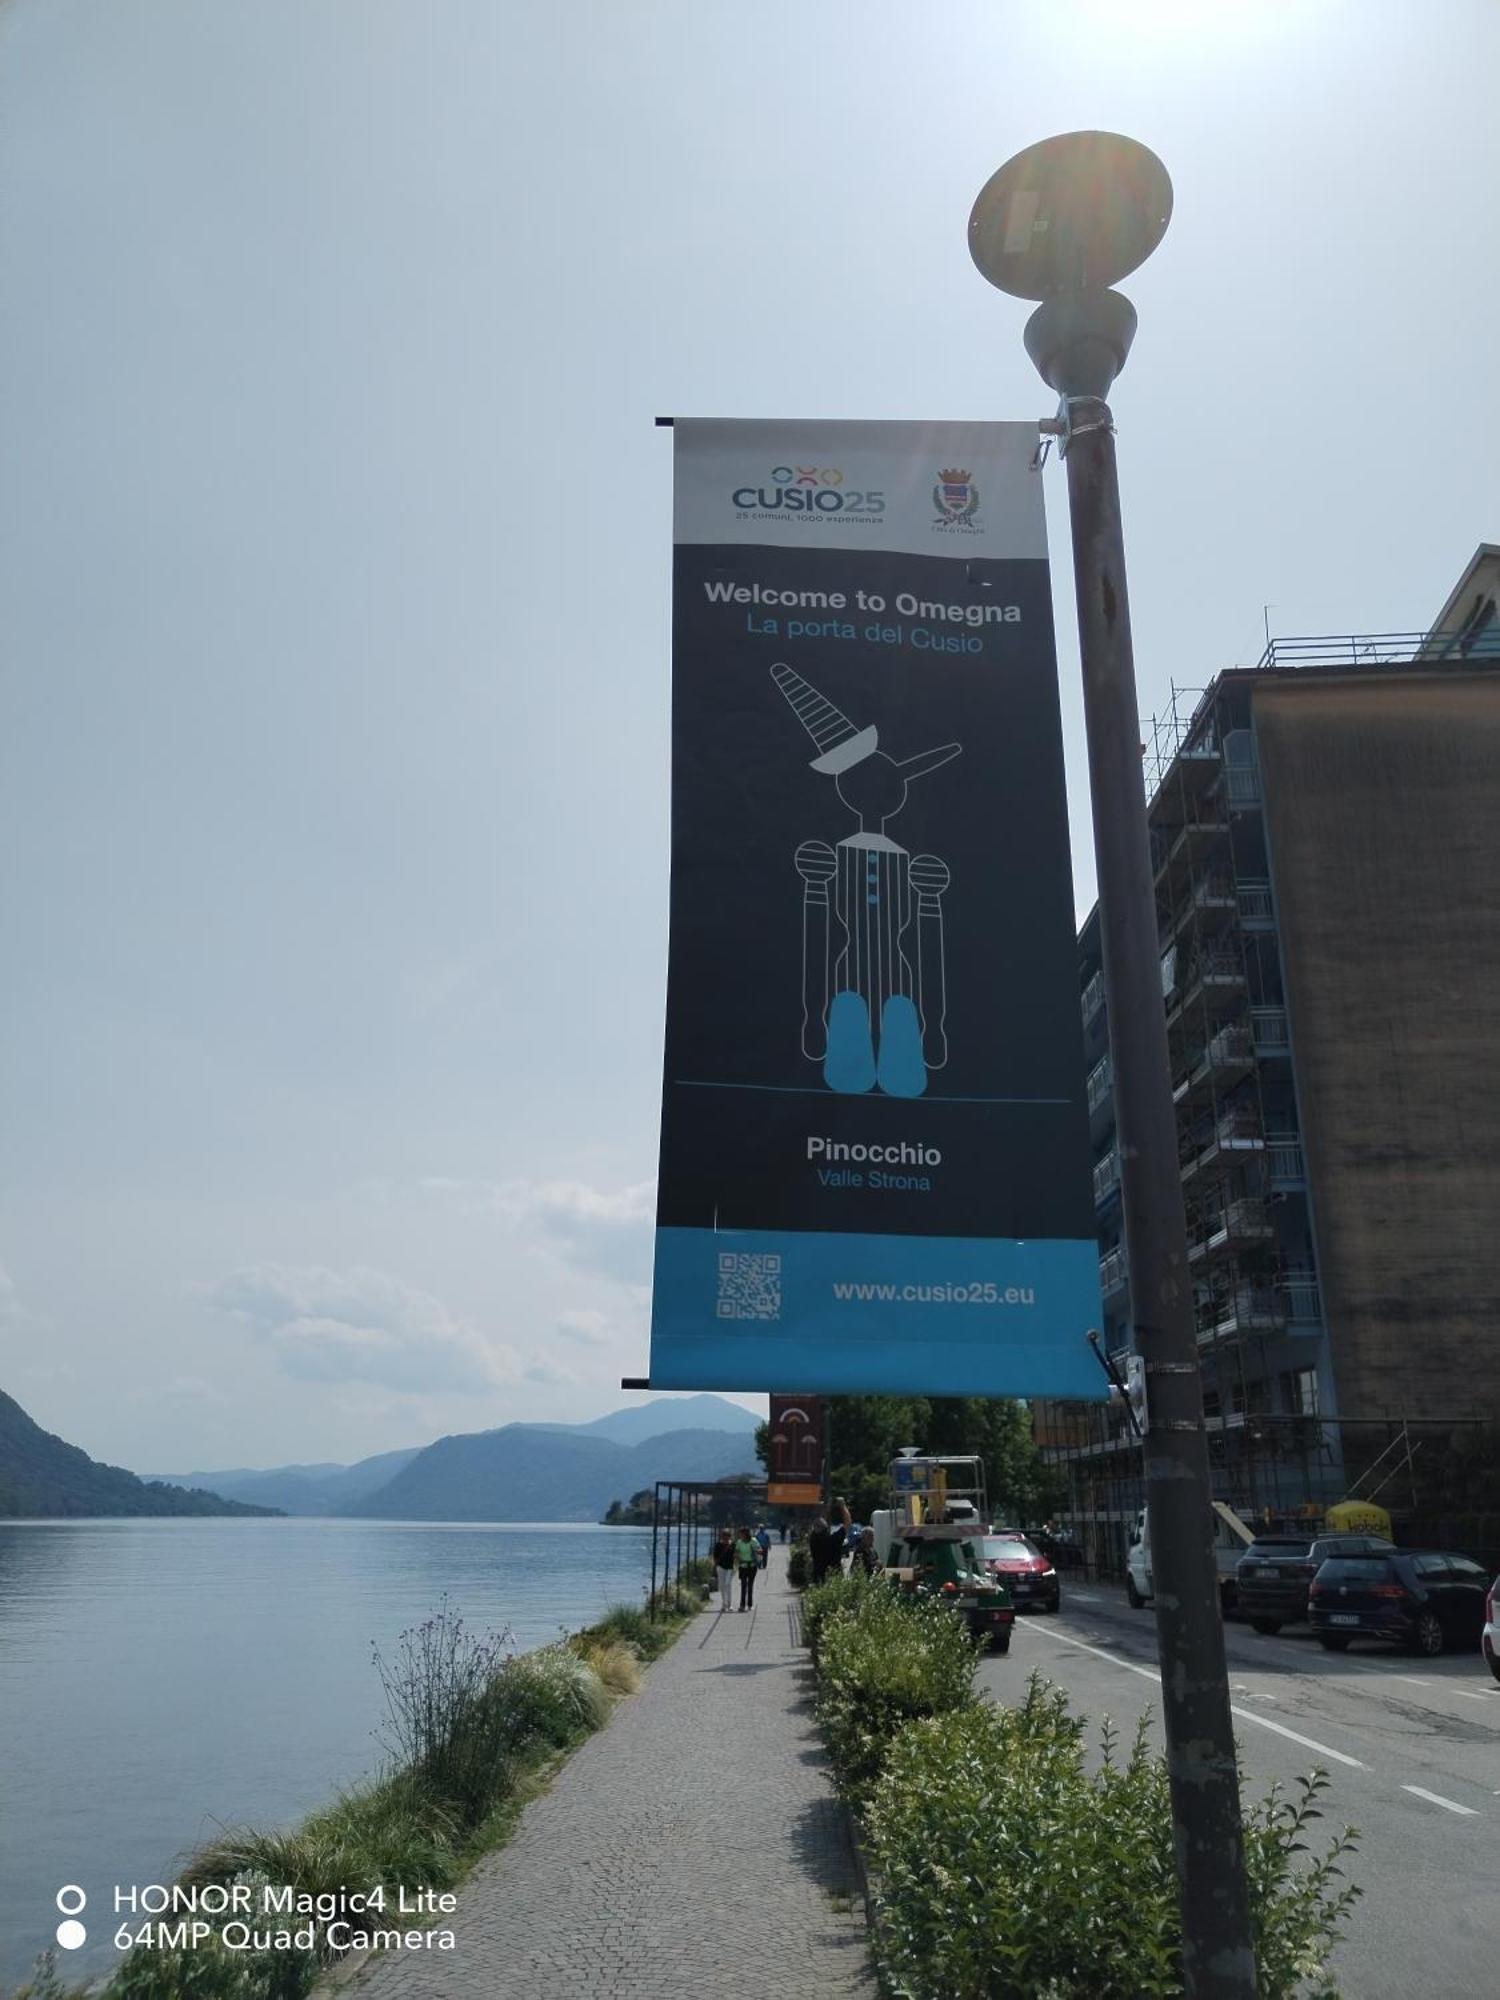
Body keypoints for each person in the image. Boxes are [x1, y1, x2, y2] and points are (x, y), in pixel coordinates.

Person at [808, 1498, 852, 1584]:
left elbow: (819, 1522)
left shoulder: (813, 1540)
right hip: (834, 1575)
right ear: (826, 1529)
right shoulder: (833, 1540)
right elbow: (848, 1523)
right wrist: (843, 1506)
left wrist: (825, 1508)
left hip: (818, 1577)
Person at [733, 1525, 760, 1610]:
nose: (740, 1535)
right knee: (743, 1586)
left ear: (746, 1534)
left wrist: (755, 1550)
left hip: (752, 1566)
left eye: (741, 1534)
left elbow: (761, 1550)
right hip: (743, 1566)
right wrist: (736, 1556)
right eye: (740, 1534)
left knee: (750, 1586)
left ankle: (750, 1604)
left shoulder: (753, 1541)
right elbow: (736, 1552)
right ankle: (742, 1605)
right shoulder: (739, 1542)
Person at [712, 1527, 736, 1612]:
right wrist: (716, 1565)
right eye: (724, 1536)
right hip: (721, 1567)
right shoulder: (718, 1544)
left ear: (730, 1536)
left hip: (729, 1567)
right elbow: (715, 1556)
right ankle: (724, 1604)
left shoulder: (733, 1544)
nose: (725, 1537)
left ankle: (729, 1604)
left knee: (728, 1585)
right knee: (722, 1585)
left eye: (727, 1536)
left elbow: (735, 1555)